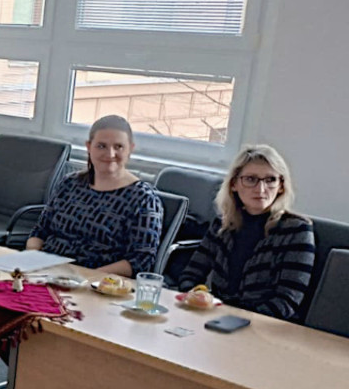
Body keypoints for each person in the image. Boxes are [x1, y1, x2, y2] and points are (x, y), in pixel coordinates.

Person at [176, 144, 315, 321]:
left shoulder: (296, 230)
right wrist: (195, 298)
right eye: (251, 179)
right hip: (217, 317)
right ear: (234, 184)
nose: (261, 189)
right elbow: (190, 275)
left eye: (270, 180)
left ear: (281, 186)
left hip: (266, 326)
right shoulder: (223, 223)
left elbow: (287, 301)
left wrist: (234, 318)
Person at [26, 115, 163, 276]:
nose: (110, 154)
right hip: (46, 273)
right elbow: (39, 232)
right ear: (89, 147)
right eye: (101, 146)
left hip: (98, 282)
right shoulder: (70, 183)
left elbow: (141, 261)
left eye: (118, 146)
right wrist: (33, 258)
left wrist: (85, 276)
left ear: (130, 149)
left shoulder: (143, 199)